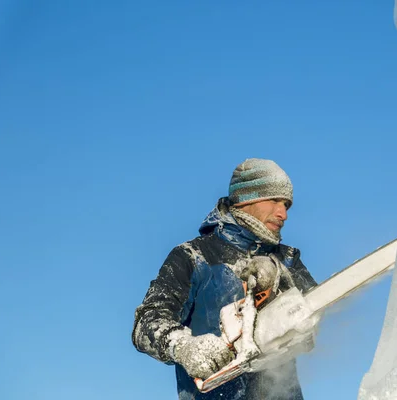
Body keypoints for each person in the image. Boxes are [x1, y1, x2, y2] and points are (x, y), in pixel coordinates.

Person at [132, 158, 318, 400]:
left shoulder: (287, 260)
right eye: (274, 200)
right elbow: (146, 322)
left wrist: (282, 282)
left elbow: (320, 314)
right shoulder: (194, 257)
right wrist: (183, 346)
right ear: (246, 198)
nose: (282, 213)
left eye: (286, 205)